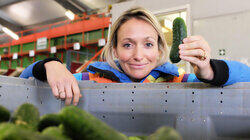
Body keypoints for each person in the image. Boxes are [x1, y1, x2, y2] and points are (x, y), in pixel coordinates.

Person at [20, 7, 250, 106]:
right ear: (114, 50)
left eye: (148, 44)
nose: (139, 56)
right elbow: (21, 81)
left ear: (160, 49)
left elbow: (246, 77)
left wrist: (209, 69)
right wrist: (49, 65)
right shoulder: (88, 81)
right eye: (128, 44)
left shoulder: (179, 81)